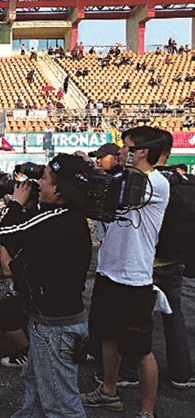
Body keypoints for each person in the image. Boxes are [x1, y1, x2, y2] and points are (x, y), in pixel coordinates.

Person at [0, 154, 94, 418]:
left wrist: (15, 203)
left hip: (54, 328)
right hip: (53, 322)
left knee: (61, 406)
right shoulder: (67, 216)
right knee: (37, 386)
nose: (38, 183)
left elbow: (2, 231)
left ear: (59, 190)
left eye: (45, 177)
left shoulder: (55, 219)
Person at [82, 126, 170, 418]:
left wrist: (89, 172)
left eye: (126, 146)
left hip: (135, 277)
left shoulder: (156, 183)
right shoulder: (122, 177)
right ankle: (109, 392)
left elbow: (117, 191)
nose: (120, 151)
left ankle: (147, 411)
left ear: (141, 151)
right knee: (107, 337)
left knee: (141, 349)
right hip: (108, 270)